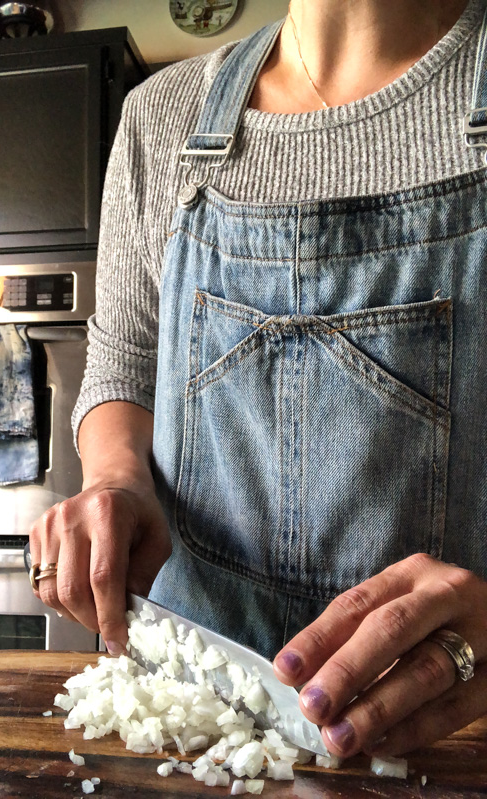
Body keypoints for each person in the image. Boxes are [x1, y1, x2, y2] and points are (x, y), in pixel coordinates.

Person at [29, 0, 487, 761]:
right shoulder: (159, 117)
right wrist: (117, 476)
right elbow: (125, 358)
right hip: (190, 731)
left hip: (442, 740)